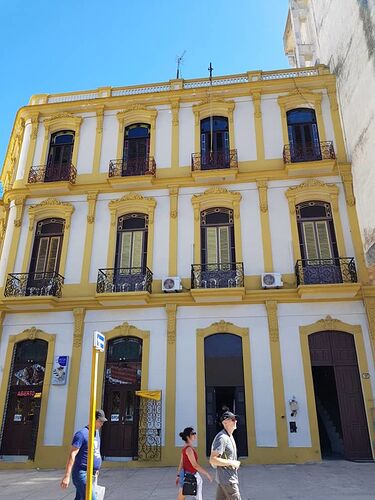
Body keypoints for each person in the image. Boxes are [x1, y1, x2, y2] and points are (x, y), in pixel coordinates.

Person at [61, 409, 107, 499]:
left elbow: (95, 451)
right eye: (100, 421)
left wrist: (96, 468)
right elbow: (72, 454)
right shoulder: (81, 434)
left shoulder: (96, 433)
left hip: (91, 473)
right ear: (93, 419)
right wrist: (67, 476)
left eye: (103, 422)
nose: (102, 424)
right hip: (81, 473)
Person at [210, 411, 242, 500]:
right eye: (233, 419)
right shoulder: (222, 438)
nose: (235, 421)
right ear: (225, 422)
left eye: (235, 419)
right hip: (228, 481)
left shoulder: (229, 436)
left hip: (225, 480)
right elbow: (213, 459)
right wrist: (232, 463)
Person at [176, 426, 212, 500]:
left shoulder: (186, 447)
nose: (195, 435)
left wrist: (178, 475)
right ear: (187, 436)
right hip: (191, 475)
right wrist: (207, 474)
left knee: (182, 497)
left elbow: (181, 463)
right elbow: (195, 465)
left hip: (186, 475)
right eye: (193, 433)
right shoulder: (189, 449)